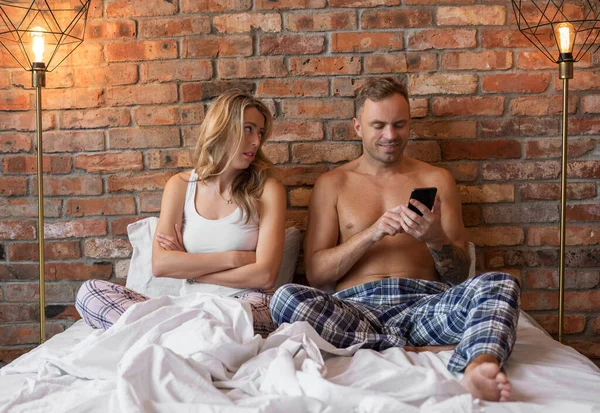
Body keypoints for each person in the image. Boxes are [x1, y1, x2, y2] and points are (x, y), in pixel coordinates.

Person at [269, 77, 520, 402]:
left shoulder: (437, 179)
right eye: (379, 125)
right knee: (285, 298)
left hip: (427, 307)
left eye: (399, 125)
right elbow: (317, 273)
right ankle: (417, 346)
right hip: (358, 310)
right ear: (358, 126)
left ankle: (479, 366)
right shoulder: (333, 183)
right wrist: (371, 233)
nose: (390, 135)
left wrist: (434, 238)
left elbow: (458, 276)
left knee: (500, 283)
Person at [76, 90, 286, 337]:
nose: (256, 142)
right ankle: (182, 333)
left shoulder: (268, 189)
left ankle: (161, 333)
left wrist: (191, 269)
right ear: (223, 129)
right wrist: (235, 258)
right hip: (188, 304)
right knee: (89, 293)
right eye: (248, 129)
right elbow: (161, 264)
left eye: (260, 133)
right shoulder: (181, 185)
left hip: (245, 303)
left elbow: (265, 275)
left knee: (222, 320)